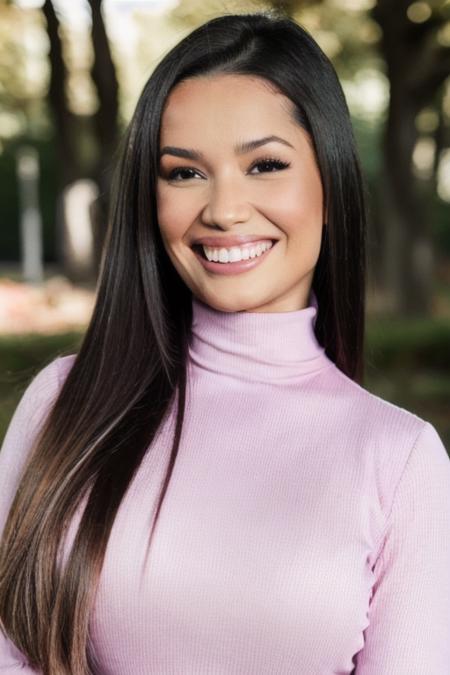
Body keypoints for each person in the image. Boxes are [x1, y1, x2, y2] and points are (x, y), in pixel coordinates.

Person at [0, 10, 449, 675]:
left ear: (330, 180)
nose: (224, 209)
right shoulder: (67, 401)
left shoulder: (401, 460)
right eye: (184, 173)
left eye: (265, 164)